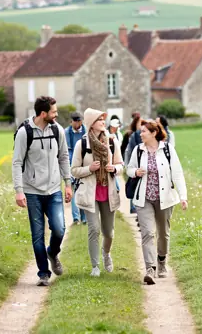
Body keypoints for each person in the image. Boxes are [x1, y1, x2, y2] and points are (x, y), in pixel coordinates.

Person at [12, 96, 72, 287]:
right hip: (32, 192)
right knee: (37, 234)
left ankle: (52, 253)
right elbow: (17, 162)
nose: (57, 114)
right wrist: (19, 191)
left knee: (59, 229)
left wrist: (68, 183)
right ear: (43, 113)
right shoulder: (24, 133)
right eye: (54, 112)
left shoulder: (57, 130)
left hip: (54, 189)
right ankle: (43, 273)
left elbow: (63, 156)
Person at [126, 119, 187, 285]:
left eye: (144, 131)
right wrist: (135, 172)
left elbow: (177, 174)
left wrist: (183, 196)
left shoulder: (167, 149)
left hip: (165, 198)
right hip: (143, 198)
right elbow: (129, 169)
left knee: (163, 234)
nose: (141, 134)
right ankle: (150, 269)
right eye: (141, 131)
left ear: (154, 133)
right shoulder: (139, 150)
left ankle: (161, 261)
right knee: (147, 233)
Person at [71, 108, 123, 277]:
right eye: (99, 119)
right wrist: (89, 168)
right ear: (91, 124)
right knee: (94, 229)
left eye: (103, 119)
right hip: (89, 193)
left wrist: (114, 168)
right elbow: (74, 170)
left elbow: (121, 165)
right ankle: (95, 266)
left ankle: (106, 253)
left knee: (109, 232)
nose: (103, 122)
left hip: (108, 192)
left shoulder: (112, 142)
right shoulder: (82, 144)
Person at [65, 111, 87, 225]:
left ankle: (84, 218)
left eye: (80, 121)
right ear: (72, 122)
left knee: (82, 190)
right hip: (72, 164)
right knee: (74, 189)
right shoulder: (66, 132)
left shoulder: (86, 131)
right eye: (76, 121)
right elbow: (66, 151)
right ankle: (75, 218)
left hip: (84, 164)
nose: (78, 124)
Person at [123, 115, 143, 214]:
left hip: (142, 167)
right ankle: (133, 207)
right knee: (133, 185)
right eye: (140, 123)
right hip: (133, 165)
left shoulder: (143, 136)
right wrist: (127, 166)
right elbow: (126, 150)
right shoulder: (131, 135)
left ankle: (137, 210)